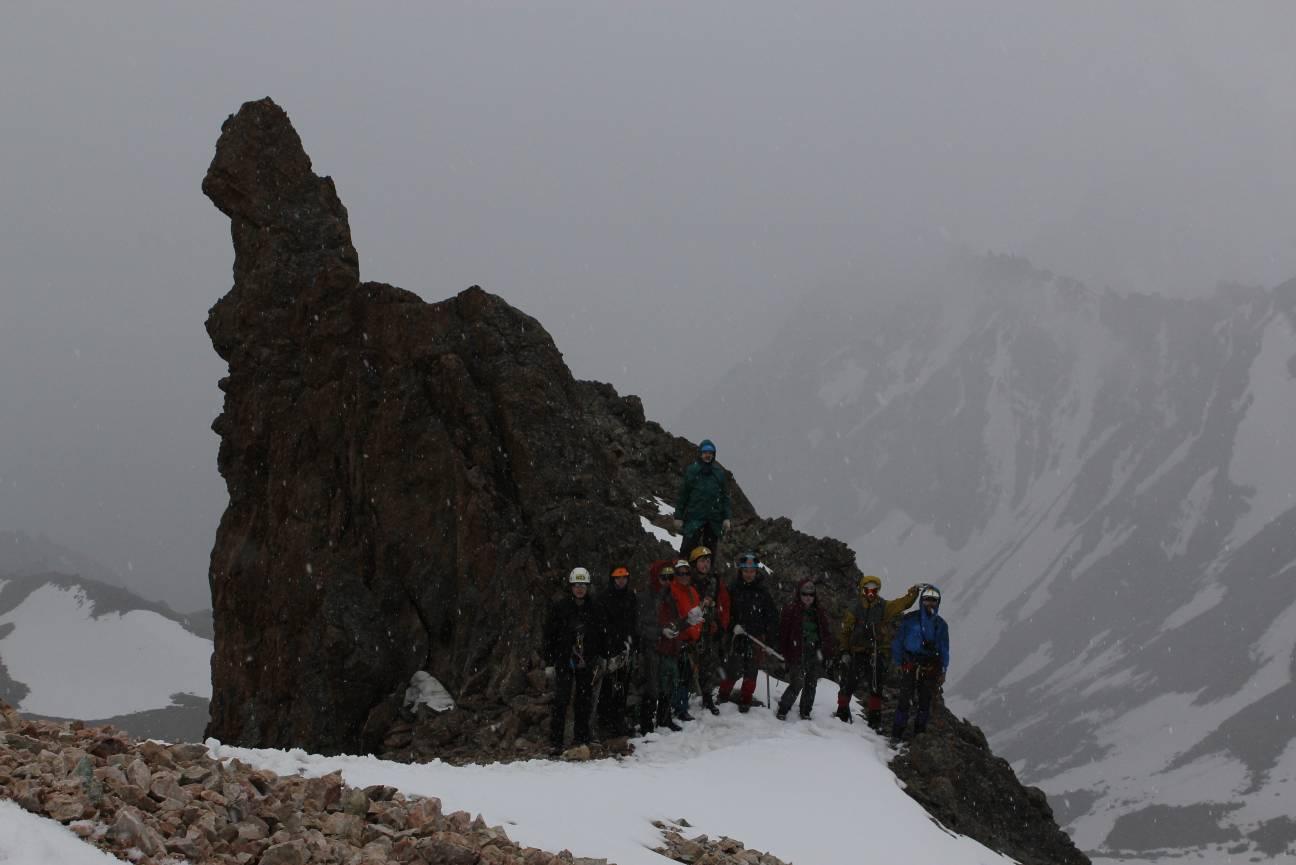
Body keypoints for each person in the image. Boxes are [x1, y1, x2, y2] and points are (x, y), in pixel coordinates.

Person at [835, 576, 920, 730]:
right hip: (858, 652)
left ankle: (874, 720)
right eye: (868, 589)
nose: (871, 592)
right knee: (850, 683)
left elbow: (901, 605)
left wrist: (912, 595)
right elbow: (845, 631)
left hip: (876, 652)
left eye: (874, 589)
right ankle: (842, 713)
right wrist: (844, 651)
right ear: (863, 589)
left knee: (876, 686)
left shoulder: (883, 606)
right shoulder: (855, 608)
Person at [543, 567, 606, 755]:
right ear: (571, 586)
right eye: (577, 585)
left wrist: (600, 656)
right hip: (564, 660)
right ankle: (556, 742)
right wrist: (549, 661)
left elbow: (600, 634)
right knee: (561, 700)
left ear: (587, 587)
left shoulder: (594, 608)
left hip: (586, 661)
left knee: (583, 700)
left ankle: (581, 738)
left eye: (583, 585)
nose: (580, 589)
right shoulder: (560, 607)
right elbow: (549, 635)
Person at [719, 552, 779, 713]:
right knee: (732, 669)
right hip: (737, 637)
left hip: (756, 638)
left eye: (752, 571)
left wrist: (770, 642)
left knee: (751, 671)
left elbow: (772, 617)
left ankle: (745, 700)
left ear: (756, 572)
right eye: (746, 571)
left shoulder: (763, 592)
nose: (749, 574)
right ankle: (723, 696)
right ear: (741, 571)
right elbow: (724, 611)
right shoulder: (733, 589)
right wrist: (733, 626)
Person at [890, 585, 950, 741]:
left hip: (929, 666)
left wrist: (943, 669)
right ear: (922, 600)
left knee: (924, 701)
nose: (930, 603)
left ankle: (918, 734)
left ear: (938, 603)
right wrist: (899, 661)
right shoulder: (910, 620)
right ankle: (898, 733)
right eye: (927, 600)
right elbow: (899, 641)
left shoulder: (941, 625)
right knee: (905, 699)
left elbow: (944, 649)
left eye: (933, 601)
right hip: (911, 663)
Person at [776, 577, 835, 721]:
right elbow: (783, 635)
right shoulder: (790, 610)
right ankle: (783, 708)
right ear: (799, 593)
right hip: (796, 652)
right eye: (804, 594)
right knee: (797, 682)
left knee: (811, 683)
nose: (808, 597)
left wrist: (827, 654)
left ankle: (805, 711)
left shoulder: (819, 612)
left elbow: (826, 634)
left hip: (814, 652)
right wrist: (782, 655)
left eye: (811, 594)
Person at [657, 558, 705, 724]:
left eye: (686, 573)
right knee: (673, 677)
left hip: (690, 640)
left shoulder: (692, 591)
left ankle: (681, 708)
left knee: (684, 676)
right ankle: (671, 710)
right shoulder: (671, 591)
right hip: (676, 640)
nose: (684, 576)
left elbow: (696, 614)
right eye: (680, 573)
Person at [596, 565, 638, 738]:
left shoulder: (630, 597)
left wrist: (632, 643)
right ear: (612, 579)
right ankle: (605, 723)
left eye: (624, 577)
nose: (621, 581)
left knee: (622, 688)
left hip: (625, 650)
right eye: (618, 578)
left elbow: (634, 622)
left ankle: (618, 721)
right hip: (609, 650)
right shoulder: (604, 598)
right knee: (607, 688)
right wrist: (611, 646)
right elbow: (602, 626)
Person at [672, 440, 732, 557]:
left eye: (710, 452)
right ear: (700, 453)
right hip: (694, 518)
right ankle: (684, 572)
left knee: (709, 552)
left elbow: (725, 497)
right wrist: (678, 516)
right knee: (687, 549)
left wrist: (726, 518)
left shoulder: (719, 473)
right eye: (705, 452)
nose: (707, 455)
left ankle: (707, 574)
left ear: (714, 454)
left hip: (713, 520)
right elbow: (683, 495)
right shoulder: (692, 471)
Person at [689, 545, 730, 714]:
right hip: (690, 628)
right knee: (687, 665)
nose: (705, 564)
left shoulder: (714, 581)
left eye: (707, 561)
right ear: (694, 563)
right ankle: (681, 701)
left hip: (708, 628)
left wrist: (721, 625)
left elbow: (724, 603)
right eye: (701, 561)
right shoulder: (687, 580)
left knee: (708, 665)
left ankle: (707, 698)